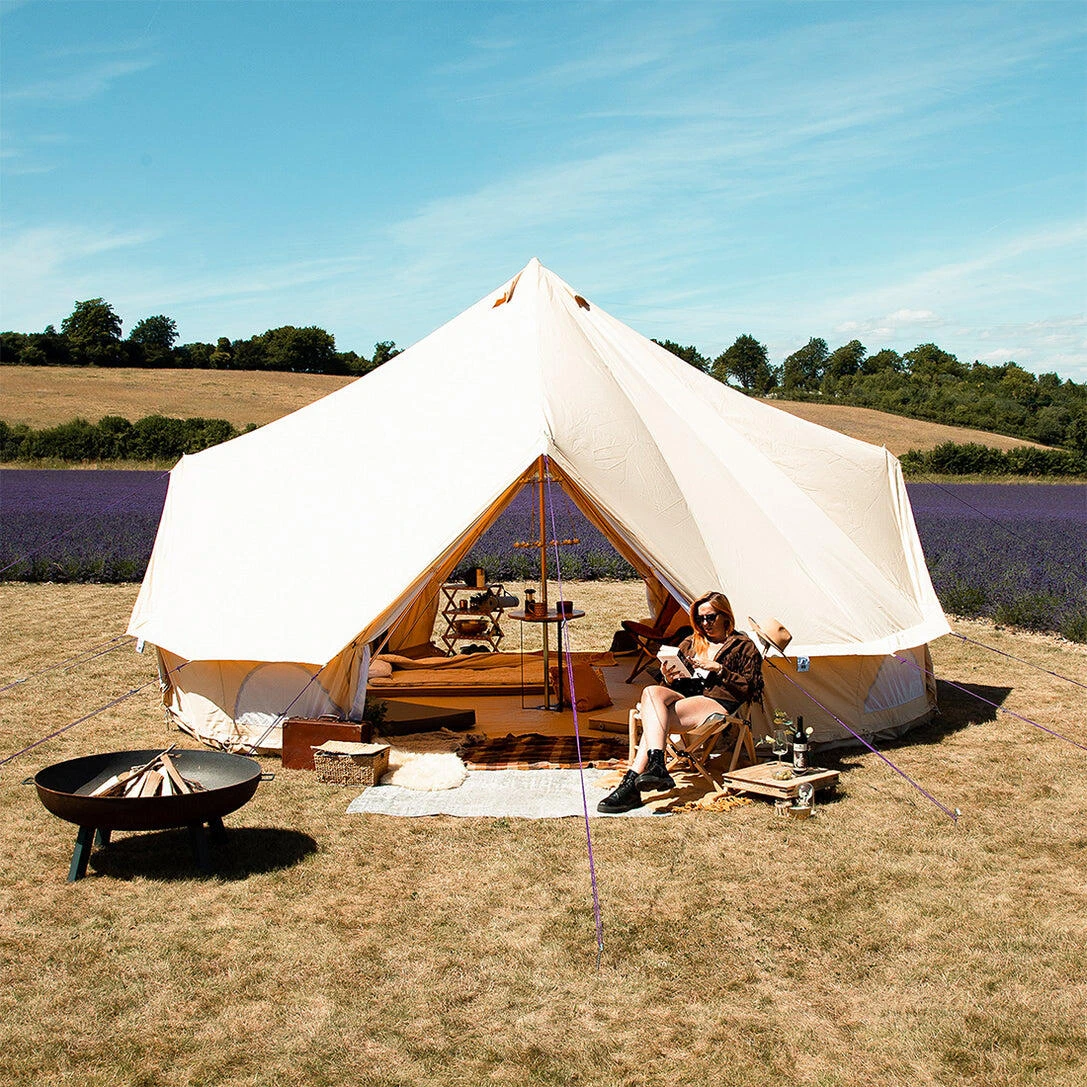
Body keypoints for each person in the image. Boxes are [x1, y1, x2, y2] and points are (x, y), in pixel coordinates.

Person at [598, 591, 763, 813]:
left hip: (717, 699)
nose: (705, 623)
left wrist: (720, 670)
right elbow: (669, 681)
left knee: (653, 719)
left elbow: (750, 687)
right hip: (686, 693)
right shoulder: (692, 642)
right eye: (700, 618)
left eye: (711, 617)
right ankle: (657, 764)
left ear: (725, 616)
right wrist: (668, 676)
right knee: (650, 692)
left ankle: (631, 783)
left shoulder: (743, 646)